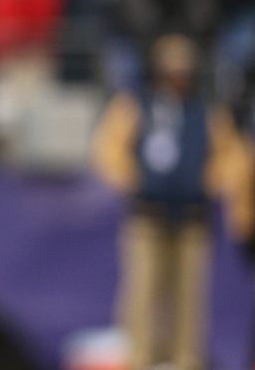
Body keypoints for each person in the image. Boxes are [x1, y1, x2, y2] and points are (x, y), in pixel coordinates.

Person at [91, 33, 253, 370]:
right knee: (143, 293)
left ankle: (185, 362)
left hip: (193, 217)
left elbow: (232, 154)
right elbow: (108, 147)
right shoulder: (137, 104)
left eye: (182, 72)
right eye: (170, 72)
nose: (176, 79)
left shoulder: (205, 109)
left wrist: (208, 181)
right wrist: (134, 181)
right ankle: (141, 359)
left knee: (190, 299)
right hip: (147, 216)